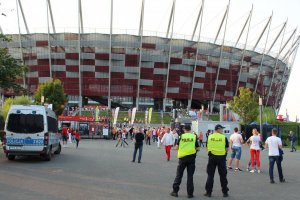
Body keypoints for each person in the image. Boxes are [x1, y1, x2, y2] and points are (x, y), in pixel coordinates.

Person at [170, 124, 200, 198]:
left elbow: (177, 147)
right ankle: (190, 194)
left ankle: (175, 192)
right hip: (191, 158)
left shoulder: (181, 136)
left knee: (179, 175)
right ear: (190, 129)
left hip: (182, 158)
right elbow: (198, 148)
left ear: (184, 129)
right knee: (190, 176)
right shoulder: (194, 136)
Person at [204, 124, 229, 198]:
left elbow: (207, 146)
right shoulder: (223, 137)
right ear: (218, 129)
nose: (222, 130)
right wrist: (224, 153)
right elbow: (227, 148)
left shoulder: (210, 136)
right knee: (223, 175)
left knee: (210, 175)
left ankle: (208, 192)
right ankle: (225, 192)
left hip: (212, 157)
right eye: (221, 129)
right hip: (221, 158)